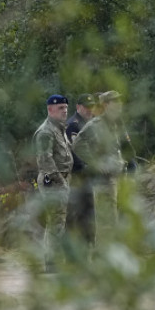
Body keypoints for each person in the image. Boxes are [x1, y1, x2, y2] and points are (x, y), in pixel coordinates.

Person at [72, 90, 126, 251]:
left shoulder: (114, 124)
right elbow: (77, 145)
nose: (119, 106)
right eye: (115, 103)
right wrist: (95, 163)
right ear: (106, 105)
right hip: (102, 180)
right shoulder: (95, 125)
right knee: (105, 222)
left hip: (113, 178)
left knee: (112, 220)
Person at [33, 94, 74, 271]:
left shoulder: (59, 128)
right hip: (53, 181)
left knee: (58, 221)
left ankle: (54, 259)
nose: (64, 111)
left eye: (65, 107)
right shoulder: (46, 131)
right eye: (60, 108)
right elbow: (45, 159)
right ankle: (51, 262)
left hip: (63, 178)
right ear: (50, 109)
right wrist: (60, 182)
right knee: (55, 221)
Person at [65, 93, 97, 247]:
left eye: (91, 107)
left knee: (88, 210)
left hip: (89, 173)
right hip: (78, 174)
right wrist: (86, 166)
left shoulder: (90, 123)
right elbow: (74, 151)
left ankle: (88, 243)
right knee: (76, 212)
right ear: (78, 107)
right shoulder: (74, 124)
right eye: (86, 107)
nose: (89, 110)